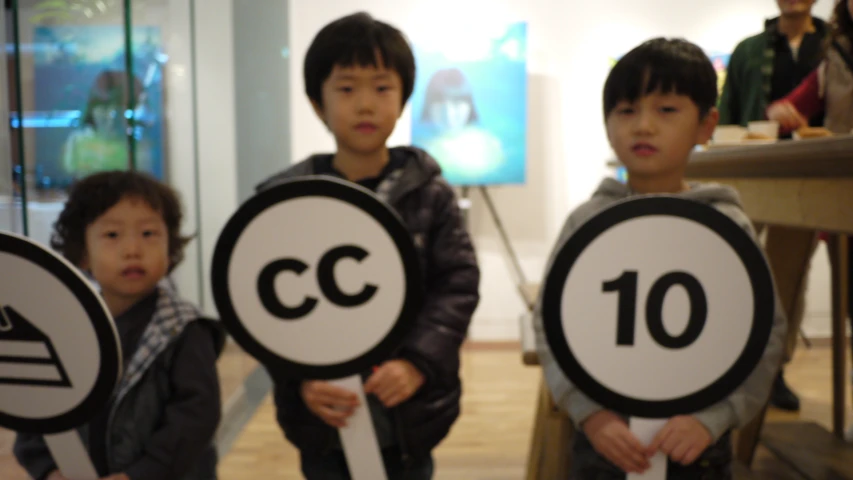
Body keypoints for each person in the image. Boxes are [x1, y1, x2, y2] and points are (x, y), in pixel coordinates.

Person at [534, 38, 787, 479]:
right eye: (626, 110)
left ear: (706, 125)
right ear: (607, 123)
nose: (643, 126)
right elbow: (551, 322)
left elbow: (764, 333)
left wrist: (712, 420)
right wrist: (590, 414)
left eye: (667, 110)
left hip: (697, 447)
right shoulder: (586, 222)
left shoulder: (727, 227)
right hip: (604, 442)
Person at [255, 12, 480, 480]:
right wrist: (298, 380)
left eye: (381, 88)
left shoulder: (431, 193)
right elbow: (262, 305)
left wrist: (418, 362)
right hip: (322, 413)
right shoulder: (283, 200)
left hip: (407, 407)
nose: (365, 105)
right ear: (318, 102)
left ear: (402, 101)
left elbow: (456, 283)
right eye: (346, 88)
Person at [14, 170, 224, 480]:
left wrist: (141, 474)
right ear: (83, 252)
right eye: (112, 235)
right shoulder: (63, 329)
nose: (132, 250)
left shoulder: (185, 328)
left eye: (149, 234)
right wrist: (48, 468)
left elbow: (196, 417)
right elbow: (35, 405)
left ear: (170, 246)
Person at [718, 0, 828, 411]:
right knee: (734, 267)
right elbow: (727, 112)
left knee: (788, 278)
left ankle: (773, 370)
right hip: (752, 175)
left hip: (809, 180)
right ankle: (725, 362)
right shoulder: (748, 50)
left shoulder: (832, 49)